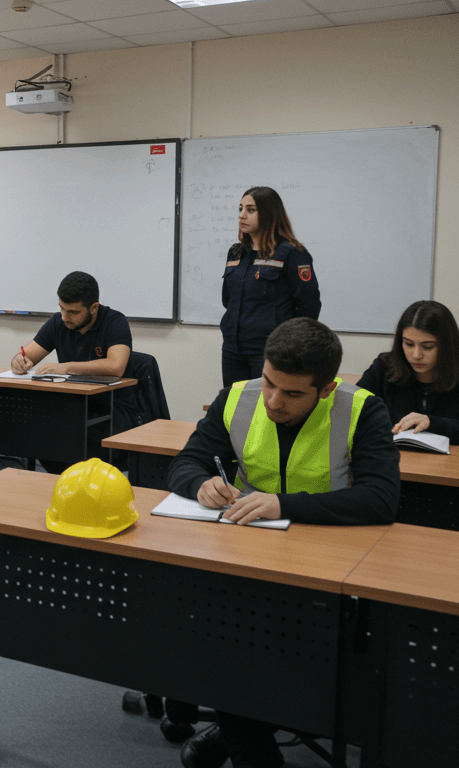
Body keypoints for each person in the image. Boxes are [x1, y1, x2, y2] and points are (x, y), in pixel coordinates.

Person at [168, 318, 399, 768]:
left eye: (292, 393)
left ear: (326, 389)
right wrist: (200, 484)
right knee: (210, 641)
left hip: (328, 571)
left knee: (250, 659)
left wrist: (284, 505)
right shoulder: (238, 395)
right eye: (270, 382)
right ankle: (246, 733)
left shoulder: (362, 409)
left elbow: (380, 499)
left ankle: (238, 734)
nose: (273, 400)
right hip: (244, 561)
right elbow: (186, 461)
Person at [220, 186, 320, 387]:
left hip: (270, 351)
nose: (241, 216)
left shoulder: (292, 253)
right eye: (240, 209)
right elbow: (228, 299)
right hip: (233, 349)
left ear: (268, 214)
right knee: (236, 409)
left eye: (250, 210)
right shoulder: (236, 253)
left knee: (267, 411)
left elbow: (308, 307)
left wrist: (289, 345)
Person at [358, 300, 459, 440]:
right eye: (409, 344)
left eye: (428, 347)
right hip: (394, 457)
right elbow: (355, 407)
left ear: (447, 345)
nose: (416, 355)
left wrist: (433, 423)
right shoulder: (384, 367)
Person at [10, 271, 131, 377]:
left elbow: (116, 366)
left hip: (111, 399)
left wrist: (66, 368)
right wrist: (19, 361)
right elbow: (28, 356)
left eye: (73, 312)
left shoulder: (114, 321)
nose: (64, 317)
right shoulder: (57, 322)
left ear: (94, 308)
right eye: (62, 308)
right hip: (72, 397)